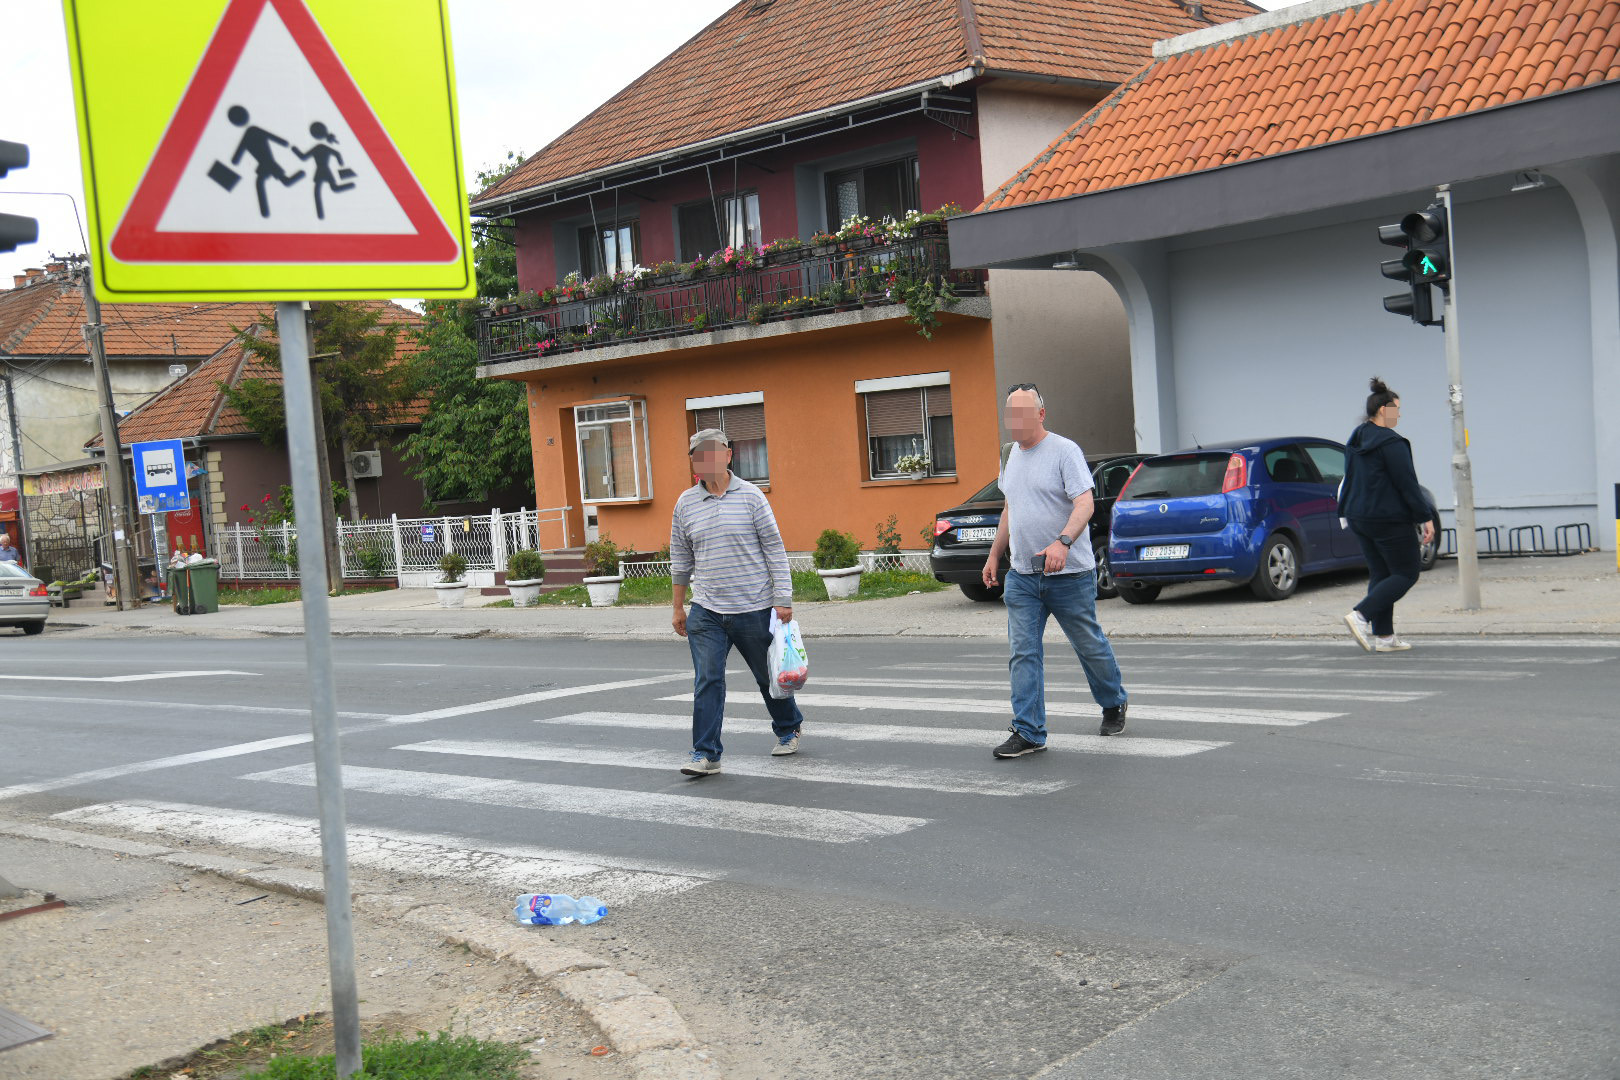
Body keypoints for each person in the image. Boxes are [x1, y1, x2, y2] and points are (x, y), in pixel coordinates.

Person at [982, 384, 1128, 758]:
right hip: (1022, 577)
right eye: (1009, 413)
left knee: (1088, 645)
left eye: (1023, 413)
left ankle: (1113, 701)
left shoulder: (1064, 451)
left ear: (1041, 414)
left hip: (1069, 575)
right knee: (1023, 652)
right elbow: (1009, 508)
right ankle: (1029, 732)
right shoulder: (1009, 454)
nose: (1014, 421)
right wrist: (994, 554)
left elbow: (1085, 503)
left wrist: (1062, 542)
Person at [671, 428, 803, 775]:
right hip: (707, 610)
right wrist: (677, 606)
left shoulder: (752, 497)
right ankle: (706, 754)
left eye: (712, 452)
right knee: (708, 680)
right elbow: (681, 558)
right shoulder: (685, 503)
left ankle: (788, 727)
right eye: (699, 455)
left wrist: (783, 599)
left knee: (767, 676)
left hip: (754, 606)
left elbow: (774, 548)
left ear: (728, 455)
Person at [1340, 377, 1436, 653]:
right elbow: (1406, 482)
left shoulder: (1357, 437)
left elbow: (1350, 477)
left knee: (1382, 574)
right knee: (1407, 572)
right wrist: (1424, 516)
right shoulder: (1392, 443)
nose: (1399, 414)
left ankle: (1384, 637)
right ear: (1384, 409)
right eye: (1396, 409)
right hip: (1388, 517)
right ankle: (1360, 616)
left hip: (1359, 515)